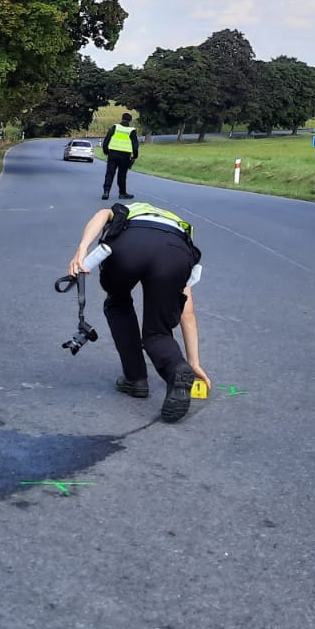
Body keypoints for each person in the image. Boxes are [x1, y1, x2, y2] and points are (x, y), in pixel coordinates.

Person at [68, 201, 211, 423]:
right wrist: (193, 362)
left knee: (118, 302)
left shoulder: (133, 209)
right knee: (158, 332)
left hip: (129, 245)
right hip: (174, 255)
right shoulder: (180, 230)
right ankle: (177, 368)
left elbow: (103, 213)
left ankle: (136, 379)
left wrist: (83, 248)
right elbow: (187, 313)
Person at [100, 112, 139, 200]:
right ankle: (122, 193)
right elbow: (135, 145)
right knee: (122, 175)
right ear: (130, 120)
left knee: (109, 173)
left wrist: (105, 150)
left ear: (122, 119)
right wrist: (135, 156)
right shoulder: (131, 130)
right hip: (125, 156)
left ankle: (106, 192)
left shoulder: (115, 127)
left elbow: (107, 138)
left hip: (113, 154)